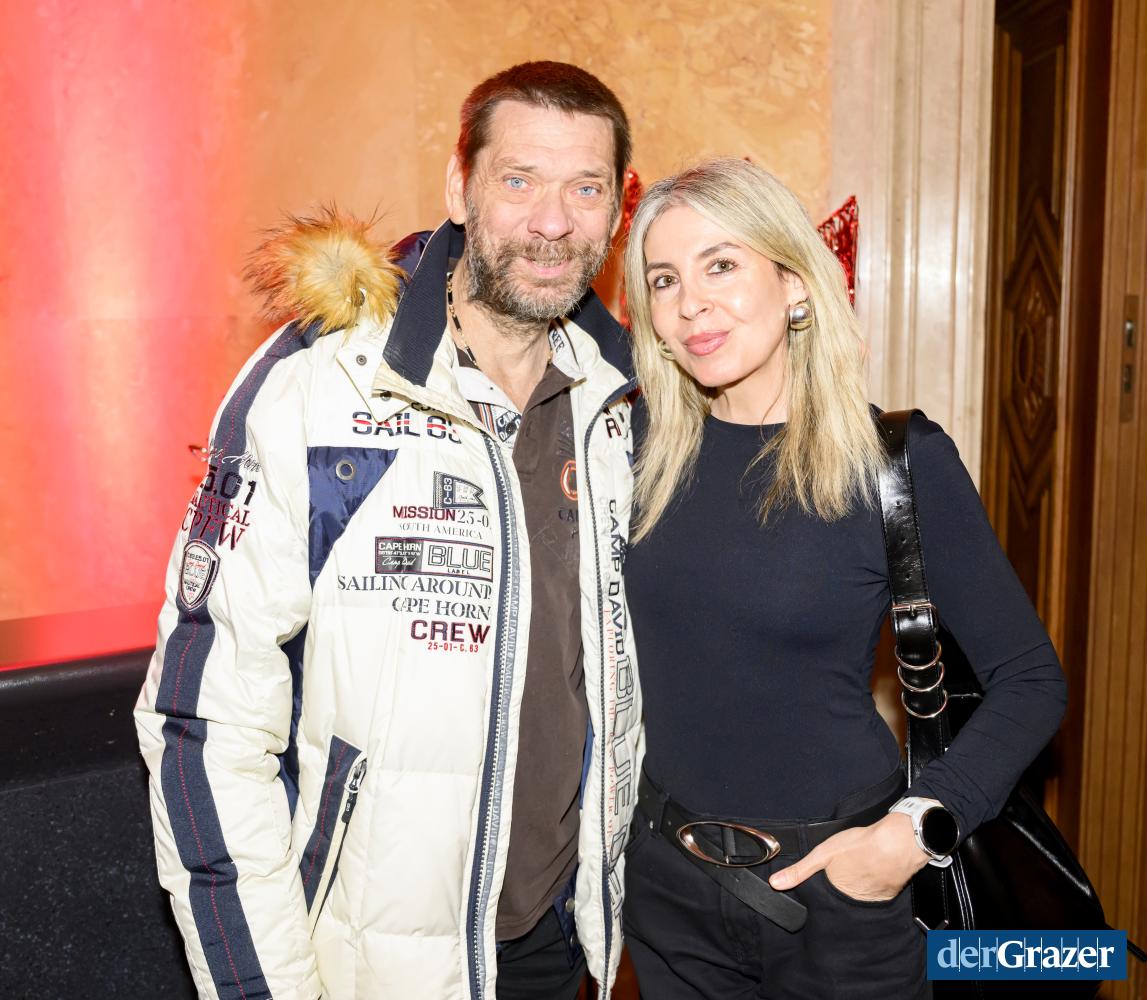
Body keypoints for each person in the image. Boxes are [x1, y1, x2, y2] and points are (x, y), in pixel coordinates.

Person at [135, 61, 642, 1000]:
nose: (552, 222)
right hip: (365, 967)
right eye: (518, 180)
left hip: (556, 945)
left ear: (616, 210)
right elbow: (205, 722)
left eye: (585, 188)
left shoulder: (624, 404)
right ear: (459, 187)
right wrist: (261, 986)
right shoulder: (325, 385)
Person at [618, 157, 1067, 999]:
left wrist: (904, 839)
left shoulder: (894, 461)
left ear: (794, 283)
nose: (690, 303)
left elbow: (1030, 681)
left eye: (721, 265)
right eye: (664, 279)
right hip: (667, 887)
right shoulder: (636, 456)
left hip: (840, 892)